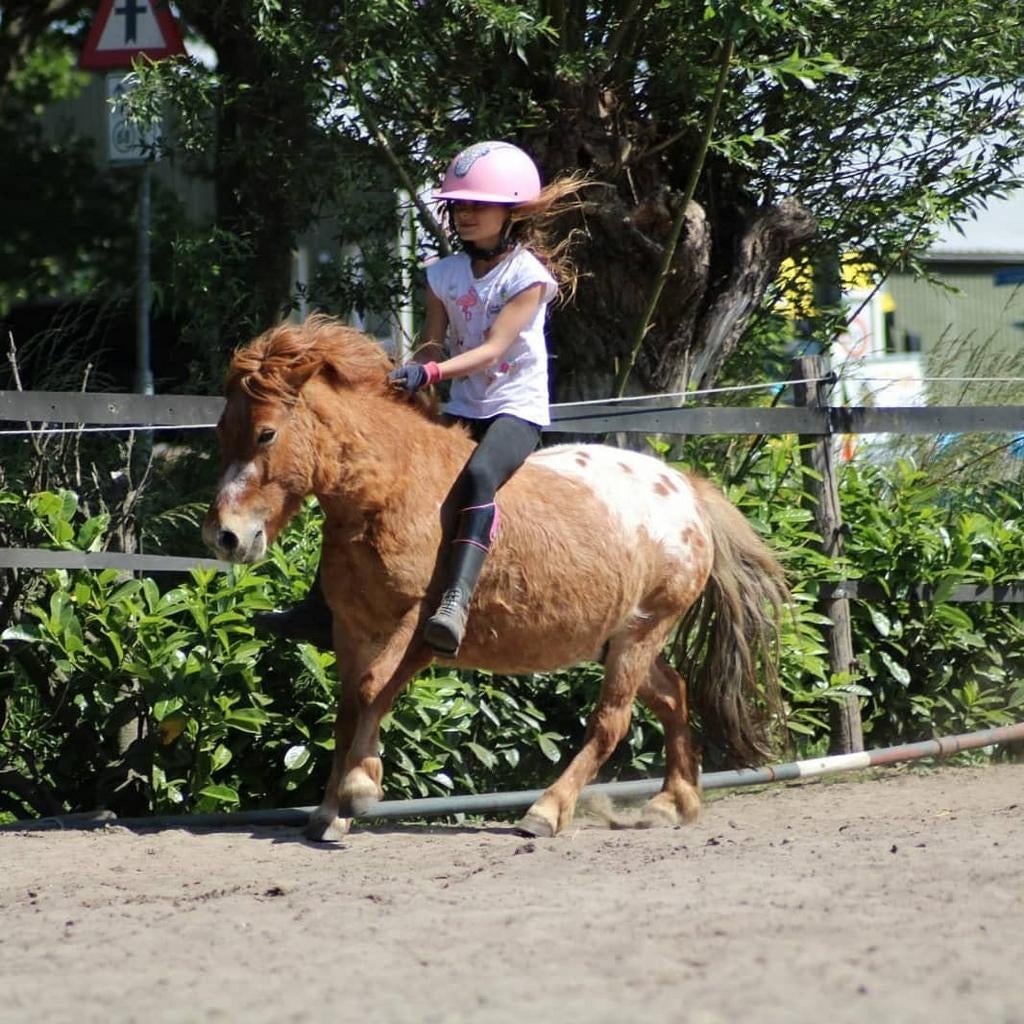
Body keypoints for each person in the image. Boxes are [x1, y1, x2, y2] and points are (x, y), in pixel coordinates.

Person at [255, 140, 587, 654]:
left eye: (478, 205)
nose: (465, 215)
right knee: (369, 481)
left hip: (513, 411)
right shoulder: (443, 274)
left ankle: (454, 600)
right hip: (461, 408)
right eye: (459, 205)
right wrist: (409, 372)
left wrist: (430, 371)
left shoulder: (527, 277)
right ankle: (321, 605)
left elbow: (493, 348)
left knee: (478, 476)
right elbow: (434, 341)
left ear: (511, 211)